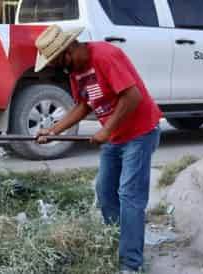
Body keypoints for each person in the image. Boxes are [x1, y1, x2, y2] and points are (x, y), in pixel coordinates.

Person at [35, 25, 162, 273]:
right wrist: (53, 131)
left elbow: (132, 97)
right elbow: (83, 105)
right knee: (104, 193)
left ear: (68, 49)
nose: (59, 68)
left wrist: (105, 130)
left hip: (139, 133)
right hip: (115, 138)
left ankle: (131, 264)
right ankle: (119, 245)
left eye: (57, 62)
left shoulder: (105, 56)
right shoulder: (76, 71)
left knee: (129, 196)